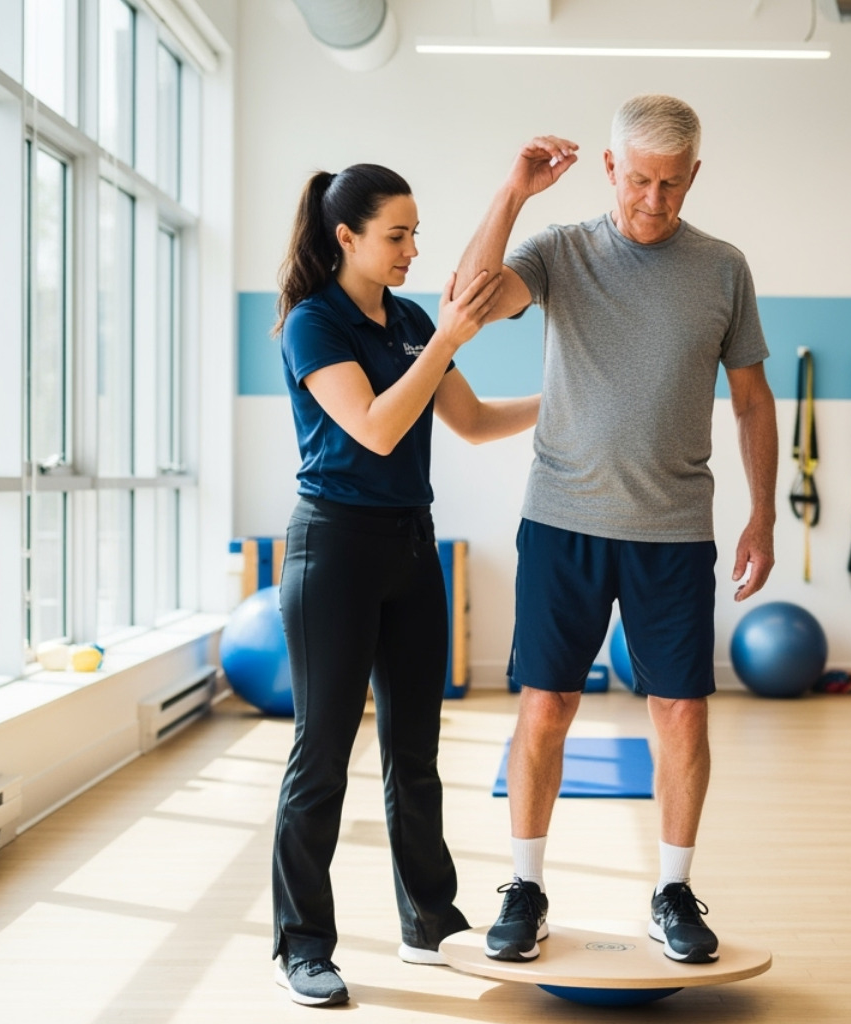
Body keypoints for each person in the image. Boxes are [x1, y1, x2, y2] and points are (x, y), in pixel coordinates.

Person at [455, 95, 778, 965]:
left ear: (694, 178)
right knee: (547, 705)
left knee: (679, 713)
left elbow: (751, 397)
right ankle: (524, 886)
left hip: (675, 528)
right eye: (640, 180)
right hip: (563, 521)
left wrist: (764, 512)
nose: (655, 200)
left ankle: (672, 890)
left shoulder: (723, 268)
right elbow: (469, 303)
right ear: (609, 169)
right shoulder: (560, 252)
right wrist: (513, 195)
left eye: (673, 184)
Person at [270, 164, 539, 1006]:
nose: (413, 250)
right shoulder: (312, 325)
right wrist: (448, 344)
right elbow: (379, 429)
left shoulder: (413, 320)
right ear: (345, 236)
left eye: (417, 233)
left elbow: (474, 422)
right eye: (397, 235)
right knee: (322, 759)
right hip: (334, 552)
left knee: (415, 756)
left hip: (409, 548)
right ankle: (303, 946)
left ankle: (430, 921)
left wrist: (568, 398)